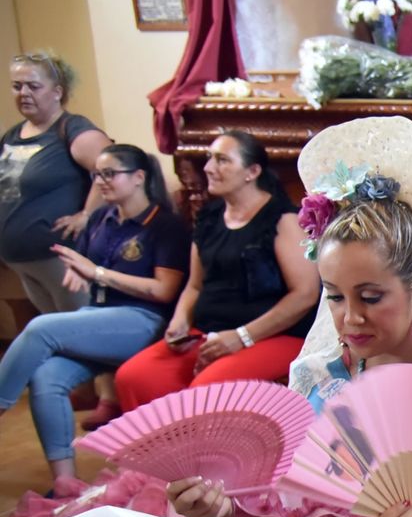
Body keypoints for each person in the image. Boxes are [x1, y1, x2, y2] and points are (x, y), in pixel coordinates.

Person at [163, 116, 412, 517]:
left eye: (371, 297)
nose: (350, 318)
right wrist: (224, 506)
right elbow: (286, 510)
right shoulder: (323, 380)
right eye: (334, 296)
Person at [0, 144, 187, 492]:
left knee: (40, 328)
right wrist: (83, 274)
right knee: (46, 374)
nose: (100, 181)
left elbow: (163, 290)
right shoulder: (101, 219)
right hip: (101, 316)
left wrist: (98, 273)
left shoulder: (165, 225)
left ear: (138, 177)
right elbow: (87, 268)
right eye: (96, 175)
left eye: (109, 173)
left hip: (144, 321)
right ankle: (65, 484)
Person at [113, 131, 318, 408]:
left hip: (274, 336)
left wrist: (242, 336)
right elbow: (195, 286)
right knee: (135, 377)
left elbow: (304, 294)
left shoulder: (283, 218)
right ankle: (168, 452)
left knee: (206, 392)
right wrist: (180, 321)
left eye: (222, 160)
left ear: (252, 171)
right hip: (208, 333)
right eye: (210, 159)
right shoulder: (208, 218)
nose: (209, 168)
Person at [1, 51, 113, 317]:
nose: (24, 93)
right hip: (21, 260)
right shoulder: (13, 134)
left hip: (60, 257)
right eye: (17, 86)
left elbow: (112, 169)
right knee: (53, 329)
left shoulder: (72, 129)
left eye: (33, 86)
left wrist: (86, 215)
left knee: (78, 329)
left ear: (57, 91)